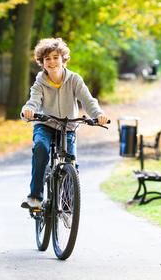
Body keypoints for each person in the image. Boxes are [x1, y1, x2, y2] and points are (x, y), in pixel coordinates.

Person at [20, 38, 108, 209]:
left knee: (70, 161)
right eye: (47, 59)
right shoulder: (40, 82)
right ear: (42, 63)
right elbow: (33, 101)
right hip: (45, 124)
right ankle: (35, 197)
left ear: (63, 59)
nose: (52, 61)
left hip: (68, 126)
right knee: (40, 148)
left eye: (55, 57)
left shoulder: (74, 80)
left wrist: (99, 114)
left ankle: (67, 205)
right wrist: (28, 111)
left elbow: (88, 101)